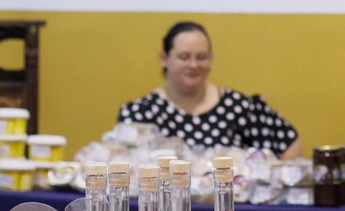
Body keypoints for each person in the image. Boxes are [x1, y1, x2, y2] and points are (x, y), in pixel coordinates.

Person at [119, 21, 302, 159]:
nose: (193, 65)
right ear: (164, 58)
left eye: (202, 57)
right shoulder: (140, 114)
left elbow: (290, 141)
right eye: (184, 57)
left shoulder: (238, 107)